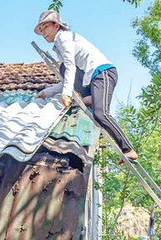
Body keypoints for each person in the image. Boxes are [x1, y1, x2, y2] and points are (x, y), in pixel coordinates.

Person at [33, 9, 138, 160]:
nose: (44, 33)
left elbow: (70, 66)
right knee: (64, 70)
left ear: (56, 25)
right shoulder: (58, 44)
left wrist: (66, 94)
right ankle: (89, 98)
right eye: (41, 30)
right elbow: (67, 78)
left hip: (103, 73)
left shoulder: (64, 37)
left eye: (46, 28)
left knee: (101, 114)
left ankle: (128, 149)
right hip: (91, 78)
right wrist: (46, 92)